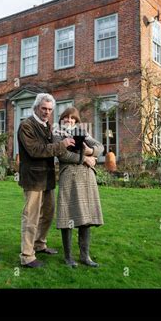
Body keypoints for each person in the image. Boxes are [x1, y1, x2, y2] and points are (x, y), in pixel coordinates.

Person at [17, 93, 75, 268]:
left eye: (50, 109)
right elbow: (35, 150)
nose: (47, 112)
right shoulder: (26, 126)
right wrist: (61, 145)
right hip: (33, 179)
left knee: (48, 214)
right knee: (31, 217)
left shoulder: (47, 126)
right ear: (36, 107)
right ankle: (27, 256)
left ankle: (39, 244)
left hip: (48, 177)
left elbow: (53, 146)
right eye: (44, 108)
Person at [53, 107, 104, 268]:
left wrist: (91, 151)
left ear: (76, 120)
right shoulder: (57, 133)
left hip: (87, 178)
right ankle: (68, 257)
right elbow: (63, 155)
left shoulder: (82, 132)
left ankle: (85, 256)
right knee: (67, 215)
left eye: (72, 118)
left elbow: (100, 147)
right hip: (69, 177)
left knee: (85, 218)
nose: (69, 121)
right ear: (61, 119)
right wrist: (85, 159)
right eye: (66, 118)